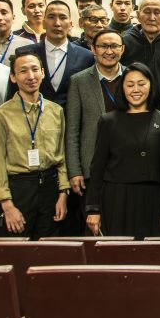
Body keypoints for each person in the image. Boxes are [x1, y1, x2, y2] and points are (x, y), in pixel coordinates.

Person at [0, 51, 70, 238]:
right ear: (13, 77)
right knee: (17, 246)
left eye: (35, 69)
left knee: (49, 246)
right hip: (19, 189)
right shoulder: (0, 116)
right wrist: (6, 204)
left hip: (50, 186)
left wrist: (63, 193)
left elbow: (62, 155)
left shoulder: (56, 111)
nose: (31, 76)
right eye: (23, 71)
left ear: (42, 72)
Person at [85, 62, 160, 238]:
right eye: (130, 85)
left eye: (141, 84)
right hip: (116, 198)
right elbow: (97, 167)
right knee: (118, 251)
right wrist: (93, 208)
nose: (136, 90)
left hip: (152, 199)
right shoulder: (108, 121)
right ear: (122, 88)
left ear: (151, 85)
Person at [65, 28, 126, 235]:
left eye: (114, 46)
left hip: (125, 166)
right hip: (92, 167)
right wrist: (75, 171)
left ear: (122, 49)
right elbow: (73, 129)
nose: (109, 51)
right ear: (93, 49)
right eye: (103, 46)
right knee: (95, 229)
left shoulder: (132, 78)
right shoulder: (79, 81)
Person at [6, 0, 95, 108]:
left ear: (70, 24)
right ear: (43, 23)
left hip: (72, 117)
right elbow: (12, 95)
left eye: (62, 17)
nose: (57, 23)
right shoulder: (24, 54)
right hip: (33, 116)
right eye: (51, 17)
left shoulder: (86, 57)